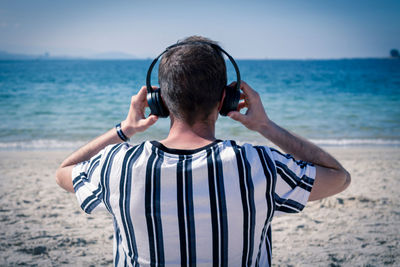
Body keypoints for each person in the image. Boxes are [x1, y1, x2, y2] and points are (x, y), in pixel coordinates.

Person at [56, 36, 350, 267]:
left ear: (160, 100)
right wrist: (265, 126)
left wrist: (125, 129)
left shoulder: (117, 166)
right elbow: (339, 177)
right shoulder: (260, 165)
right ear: (226, 99)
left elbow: (63, 172)